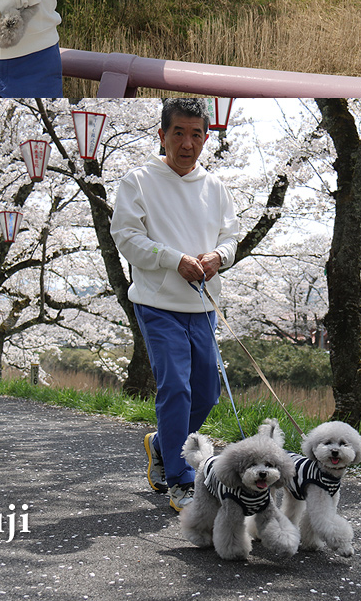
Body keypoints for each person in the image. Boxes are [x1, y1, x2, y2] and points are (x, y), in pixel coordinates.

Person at [110, 97, 239, 511]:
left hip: (203, 306)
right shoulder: (138, 181)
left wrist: (218, 257)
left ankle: (163, 446)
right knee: (176, 388)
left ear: (206, 138)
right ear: (162, 135)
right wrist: (173, 259)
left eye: (196, 134)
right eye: (178, 133)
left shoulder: (215, 187)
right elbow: (126, 237)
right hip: (157, 302)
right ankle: (181, 479)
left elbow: (231, 238)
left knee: (206, 394)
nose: (187, 143)